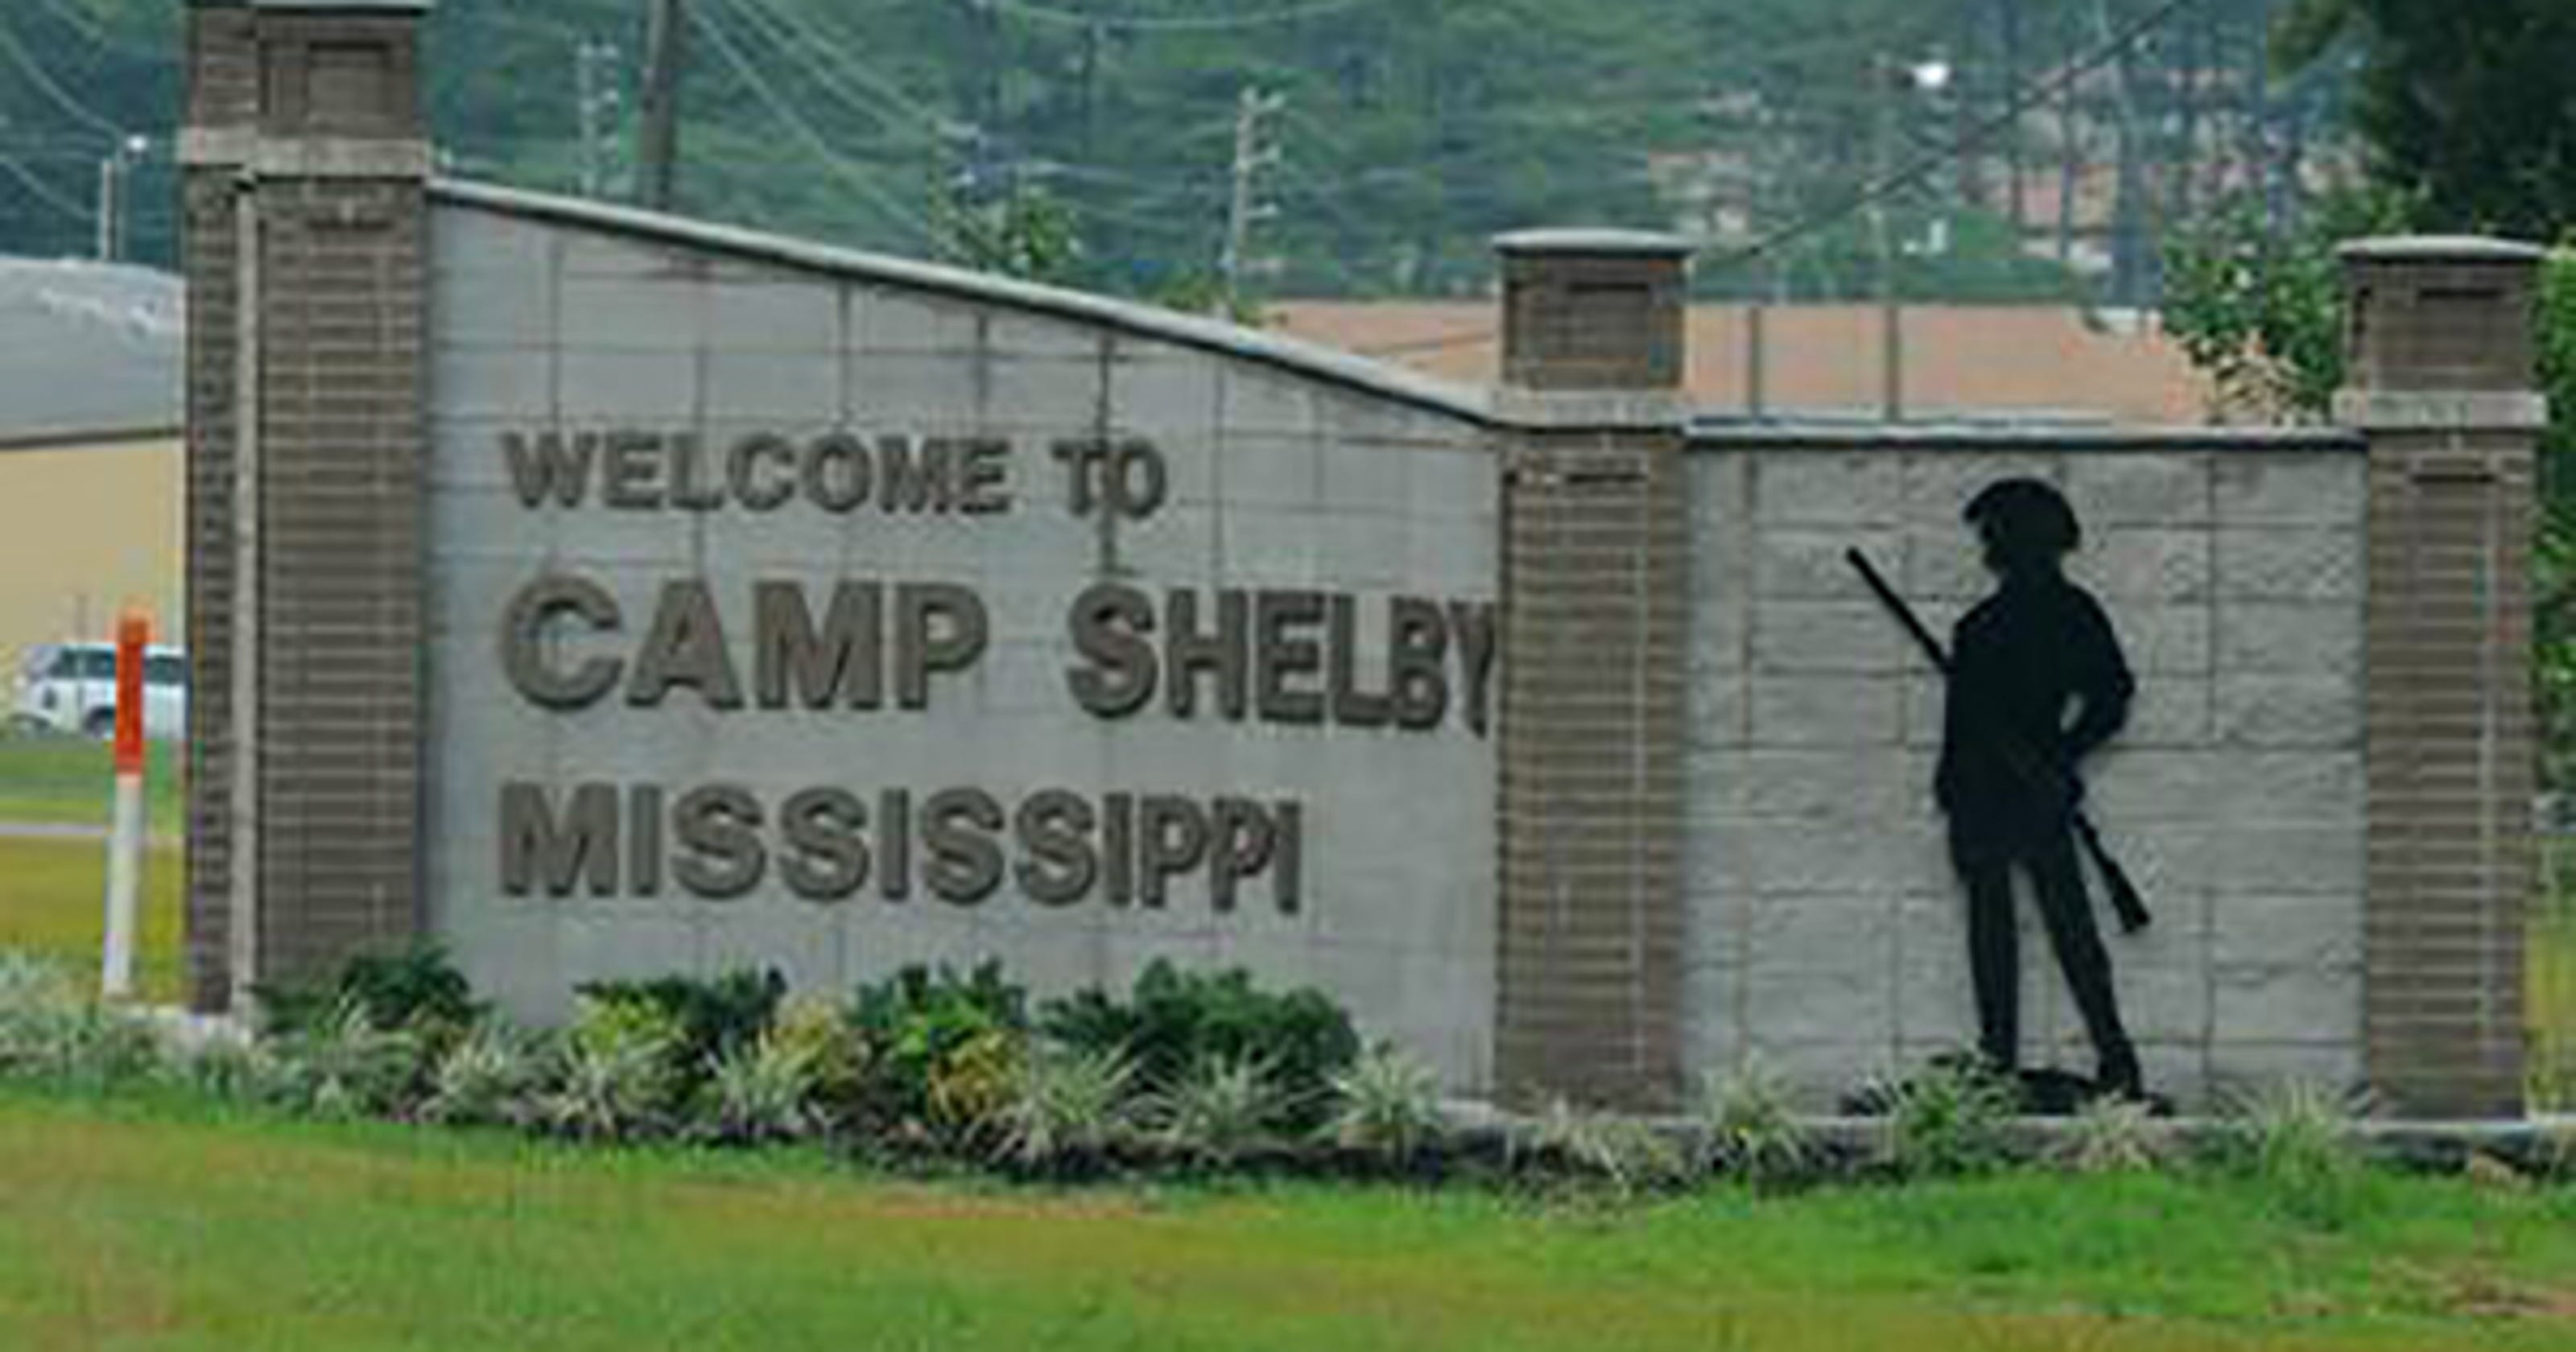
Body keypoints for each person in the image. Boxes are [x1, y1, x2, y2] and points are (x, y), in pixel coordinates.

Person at [1935, 478, 2142, 1099]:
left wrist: (2060, 757)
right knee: (1991, 933)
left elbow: (2112, 696)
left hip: (2036, 793)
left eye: (1996, 534)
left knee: (2072, 930)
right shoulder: (1978, 626)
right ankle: (1997, 1059)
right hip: (1983, 797)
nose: (1987, 548)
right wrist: (1951, 788)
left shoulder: (2071, 613)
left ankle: (2117, 1058)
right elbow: (1961, 722)